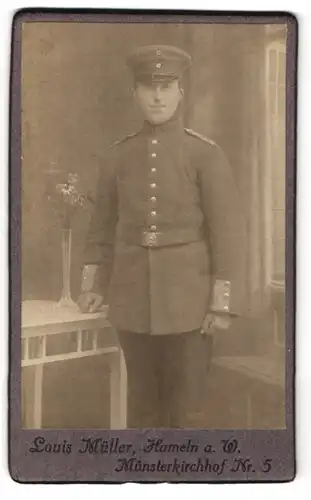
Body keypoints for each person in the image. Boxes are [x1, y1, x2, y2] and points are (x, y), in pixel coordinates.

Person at [77, 44, 247, 428]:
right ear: (134, 93)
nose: (157, 96)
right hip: (132, 301)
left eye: (166, 86)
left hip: (190, 304)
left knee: (186, 411)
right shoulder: (117, 156)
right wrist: (93, 284)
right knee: (142, 407)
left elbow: (228, 233)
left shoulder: (204, 154)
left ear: (180, 92)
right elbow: (100, 227)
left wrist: (222, 302)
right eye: (148, 87)